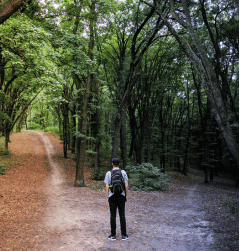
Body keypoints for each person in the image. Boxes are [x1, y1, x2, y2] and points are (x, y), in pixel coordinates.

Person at [104, 157, 129, 241]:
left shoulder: (108, 173)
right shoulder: (123, 172)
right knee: (122, 215)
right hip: (121, 196)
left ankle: (113, 235)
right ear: (119, 164)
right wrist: (126, 195)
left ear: (112, 164)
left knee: (113, 215)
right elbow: (126, 185)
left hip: (112, 196)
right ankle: (124, 235)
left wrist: (108, 196)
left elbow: (107, 186)